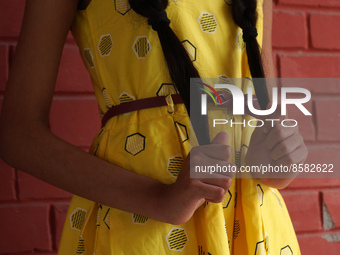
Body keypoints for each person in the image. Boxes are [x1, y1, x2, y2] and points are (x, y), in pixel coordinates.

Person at [0, 0, 307, 254]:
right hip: (141, 220)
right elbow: (19, 135)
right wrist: (159, 200)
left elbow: (262, 112)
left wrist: (276, 165)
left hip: (252, 221)